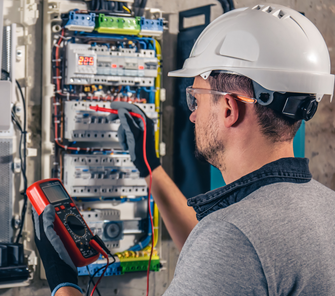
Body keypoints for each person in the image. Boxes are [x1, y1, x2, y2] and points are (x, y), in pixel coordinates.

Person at [33, 3, 335, 295]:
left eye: (196, 99)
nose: (192, 115)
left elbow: (231, 253)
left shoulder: (233, 238)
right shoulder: (325, 208)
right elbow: (228, 269)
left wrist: (62, 281)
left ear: (229, 108)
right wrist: (150, 169)